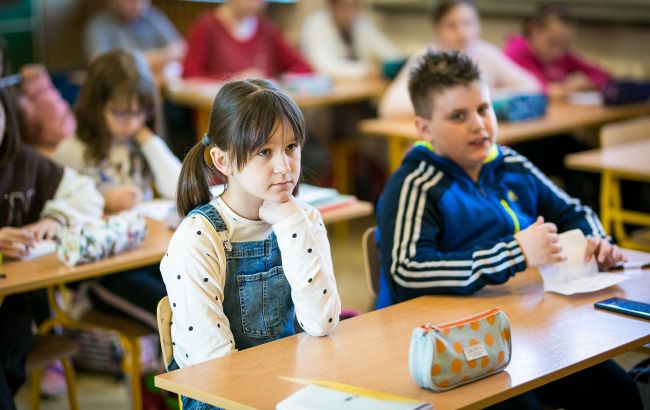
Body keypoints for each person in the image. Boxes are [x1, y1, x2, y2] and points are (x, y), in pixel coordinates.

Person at [376, 50, 641, 410]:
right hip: (452, 344)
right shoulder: (415, 184)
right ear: (424, 128)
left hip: (525, 326)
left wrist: (597, 242)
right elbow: (407, 271)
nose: (478, 125)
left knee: (618, 391)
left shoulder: (510, 163)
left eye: (483, 109)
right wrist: (515, 252)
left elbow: (572, 212)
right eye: (458, 116)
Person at [161, 79, 341, 409]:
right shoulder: (199, 237)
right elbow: (216, 365)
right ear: (223, 161)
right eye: (264, 152)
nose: (284, 167)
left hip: (289, 382)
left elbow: (322, 323)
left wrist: (291, 223)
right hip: (221, 395)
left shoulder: (303, 219)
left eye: (291, 147)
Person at [53, 49, 181, 329]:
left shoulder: (140, 141)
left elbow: (178, 188)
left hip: (146, 256)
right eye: (121, 113)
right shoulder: (73, 150)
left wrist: (149, 140)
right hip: (99, 275)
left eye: (140, 112)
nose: (132, 123)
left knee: (190, 297)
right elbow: (56, 213)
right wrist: (103, 199)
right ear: (96, 106)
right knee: (172, 315)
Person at [0, 85, 103, 410]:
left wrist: (56, 218)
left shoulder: (24, 162)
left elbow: (87, 194)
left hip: (13, 299)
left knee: (15, 322)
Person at [379, 0, 540, 118]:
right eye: (452, 25)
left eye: (468, 23)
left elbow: (532, 85)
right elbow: (390, 107)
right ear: (437, 30)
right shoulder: (427, 59)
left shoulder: (485, 52)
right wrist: (449, 102)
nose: (462, 33)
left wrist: (491, 96)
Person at [182, 0, 312, 80]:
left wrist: (280, 81)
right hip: (221, 111)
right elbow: (190, 75)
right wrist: (235, 81)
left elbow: (302, 67)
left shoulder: (267, 30)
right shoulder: (206, 27)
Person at [504, 4, 611, 99]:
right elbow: (532, 88)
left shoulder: (564, 55)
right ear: (534, 30)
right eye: (552, 43)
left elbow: (603, 75)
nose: (558, 52)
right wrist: (563, 88)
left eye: (565, 45)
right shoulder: (515, 54)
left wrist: (588, 83)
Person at [84, 0, 186, 84]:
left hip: (157, 86)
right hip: (119, 91)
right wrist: (156, 59)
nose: (138, 4)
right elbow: (100, 66)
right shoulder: (98, 26)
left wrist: (135, 62)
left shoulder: (151, 17)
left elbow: (182, 49)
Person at [300, 0, 402, 80]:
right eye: (345, 7)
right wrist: (365, 70)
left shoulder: (361, 24)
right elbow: (324, 67)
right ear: (332, 7)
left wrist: (393, 66)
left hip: (359, 89)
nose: (350, 13)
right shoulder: (317, 25)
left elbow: (391, 54)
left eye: (354, 6)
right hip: (326, 94)